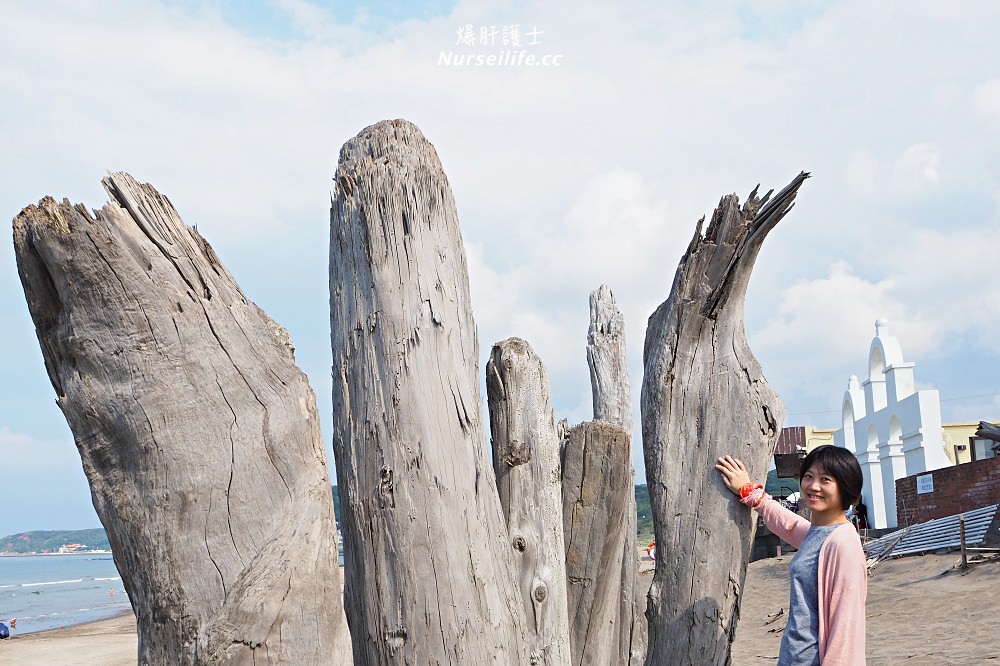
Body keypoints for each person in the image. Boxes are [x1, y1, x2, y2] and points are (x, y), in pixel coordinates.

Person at [716, 445, 867, 665]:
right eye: (808, 476)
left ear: (846, 488)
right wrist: (751, 493)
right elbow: (789, 525)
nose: (813, 486)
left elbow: (846, 624)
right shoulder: (819, 534)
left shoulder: (843, 543)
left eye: (825, 480)